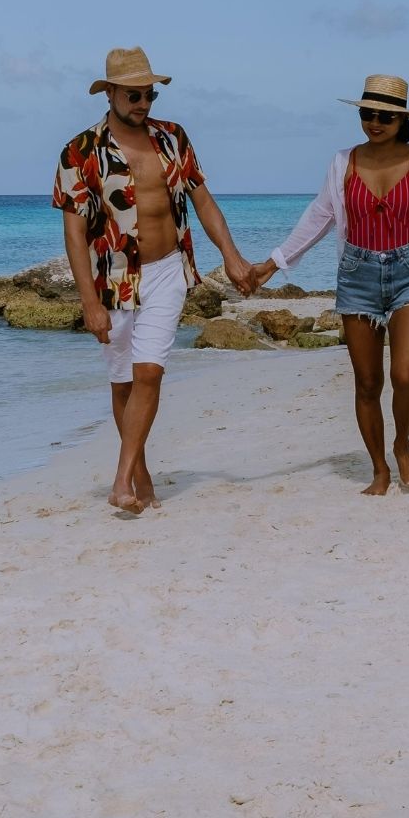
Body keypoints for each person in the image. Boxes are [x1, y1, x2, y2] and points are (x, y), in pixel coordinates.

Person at [53, 47, 255, 514]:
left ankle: (120, 479)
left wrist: (231, 256)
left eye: (148, 95)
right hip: (115, 280)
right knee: (122, 381)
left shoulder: (172, 138)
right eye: (134, 95)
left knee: (149, 372)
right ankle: (139, 473)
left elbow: (202, 201)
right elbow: (74, 232)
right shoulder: (80, 151)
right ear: (110, 93)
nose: (143, 103)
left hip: (168, 270)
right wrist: (89, 303)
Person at [249, 74, 409, 496]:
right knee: (367, 383)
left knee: (404, 375)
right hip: (357, 276)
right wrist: (273, 264)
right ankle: (379, 467)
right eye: (368, 114)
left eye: (385, 115)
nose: (375, 122)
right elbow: (318, 218)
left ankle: (402, 445)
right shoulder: (341, 162)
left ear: (401, 119)